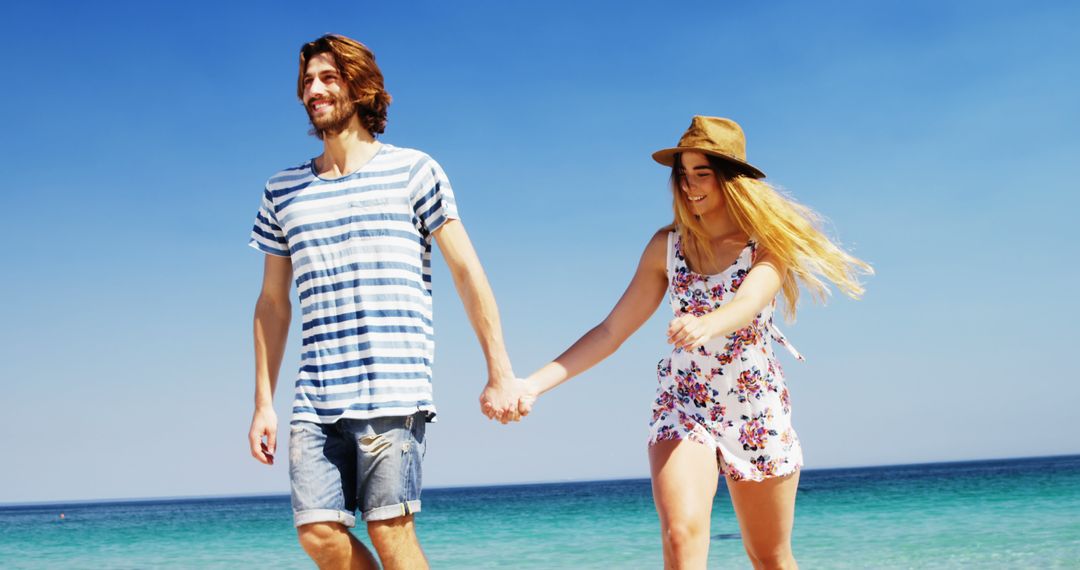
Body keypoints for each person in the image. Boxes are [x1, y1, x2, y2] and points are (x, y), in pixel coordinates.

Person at [512, 116, 872, 569]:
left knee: (769, 557)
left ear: (730, 179)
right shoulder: (666, 247)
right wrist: (533, 385)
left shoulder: (765, 246)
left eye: (702, 173)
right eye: (682, 174)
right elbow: (611, 331)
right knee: (680, 537)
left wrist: (709, 322)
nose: (689, 185)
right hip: (685, 405)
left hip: (754, 409)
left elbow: (750, 298)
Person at [246, 34, 528, 570]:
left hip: (393, 388)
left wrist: (500, 370)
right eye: (307, 81)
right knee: (317, 533)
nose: (314, 89)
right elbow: (271, 303)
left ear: (360, 86)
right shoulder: (281, 190)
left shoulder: (415, 170)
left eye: (328, 78)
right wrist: (264, 401)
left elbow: (467, 271)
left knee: (390, 533)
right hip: (315, 397)